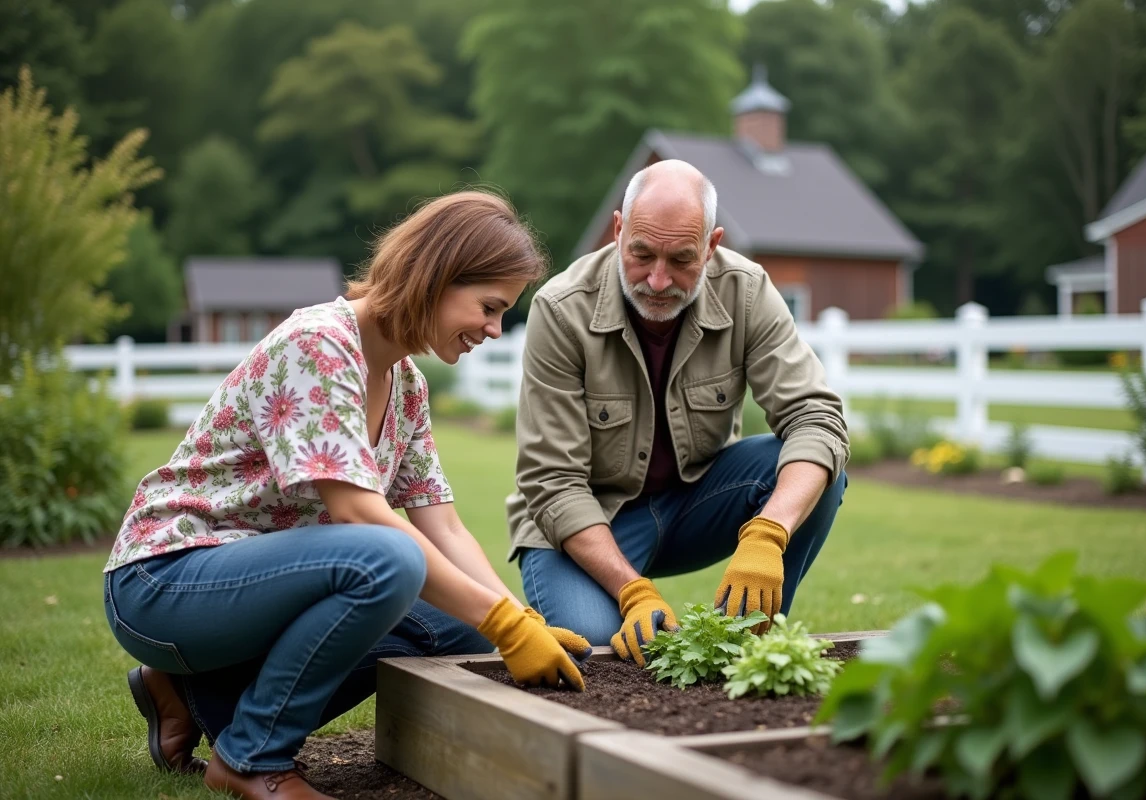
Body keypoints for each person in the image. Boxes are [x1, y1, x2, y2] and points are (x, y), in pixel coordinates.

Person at [103, 190, 592, 800]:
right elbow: (357, 511)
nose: (494, 330)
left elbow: (443, 527)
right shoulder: (318, 343)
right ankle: (254, 756)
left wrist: (515, 621)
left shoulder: (406, 384)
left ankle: (195, 697)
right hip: (165, 581)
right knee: (389, 560)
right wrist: (504, 622)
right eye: (489, 308)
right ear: (437, 276)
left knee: (458, 631)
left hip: (254, 587)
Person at [505, 160, 849, 665]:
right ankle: (625, 600)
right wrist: (632, 592)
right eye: (641, 254)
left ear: (711, 246)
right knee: (599, 647)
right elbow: (553, 481)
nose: (659, 280)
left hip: (695, 502)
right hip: (590, 518)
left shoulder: (746, 290)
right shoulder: (561, 308)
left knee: (815, 469)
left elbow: (816, 417)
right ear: (619, 230)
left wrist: (768, 533)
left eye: (682, 259)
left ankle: (746, 651)